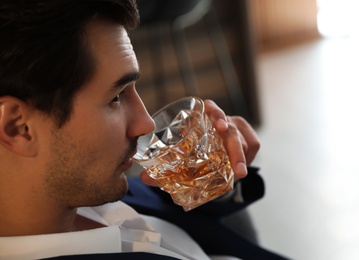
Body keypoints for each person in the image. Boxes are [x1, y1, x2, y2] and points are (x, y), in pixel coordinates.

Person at [0, 0, 287, 259]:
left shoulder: (93, 186)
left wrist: (212, 181)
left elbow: (201, 223)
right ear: (17, 127)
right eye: (116, 97)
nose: (146, 123)